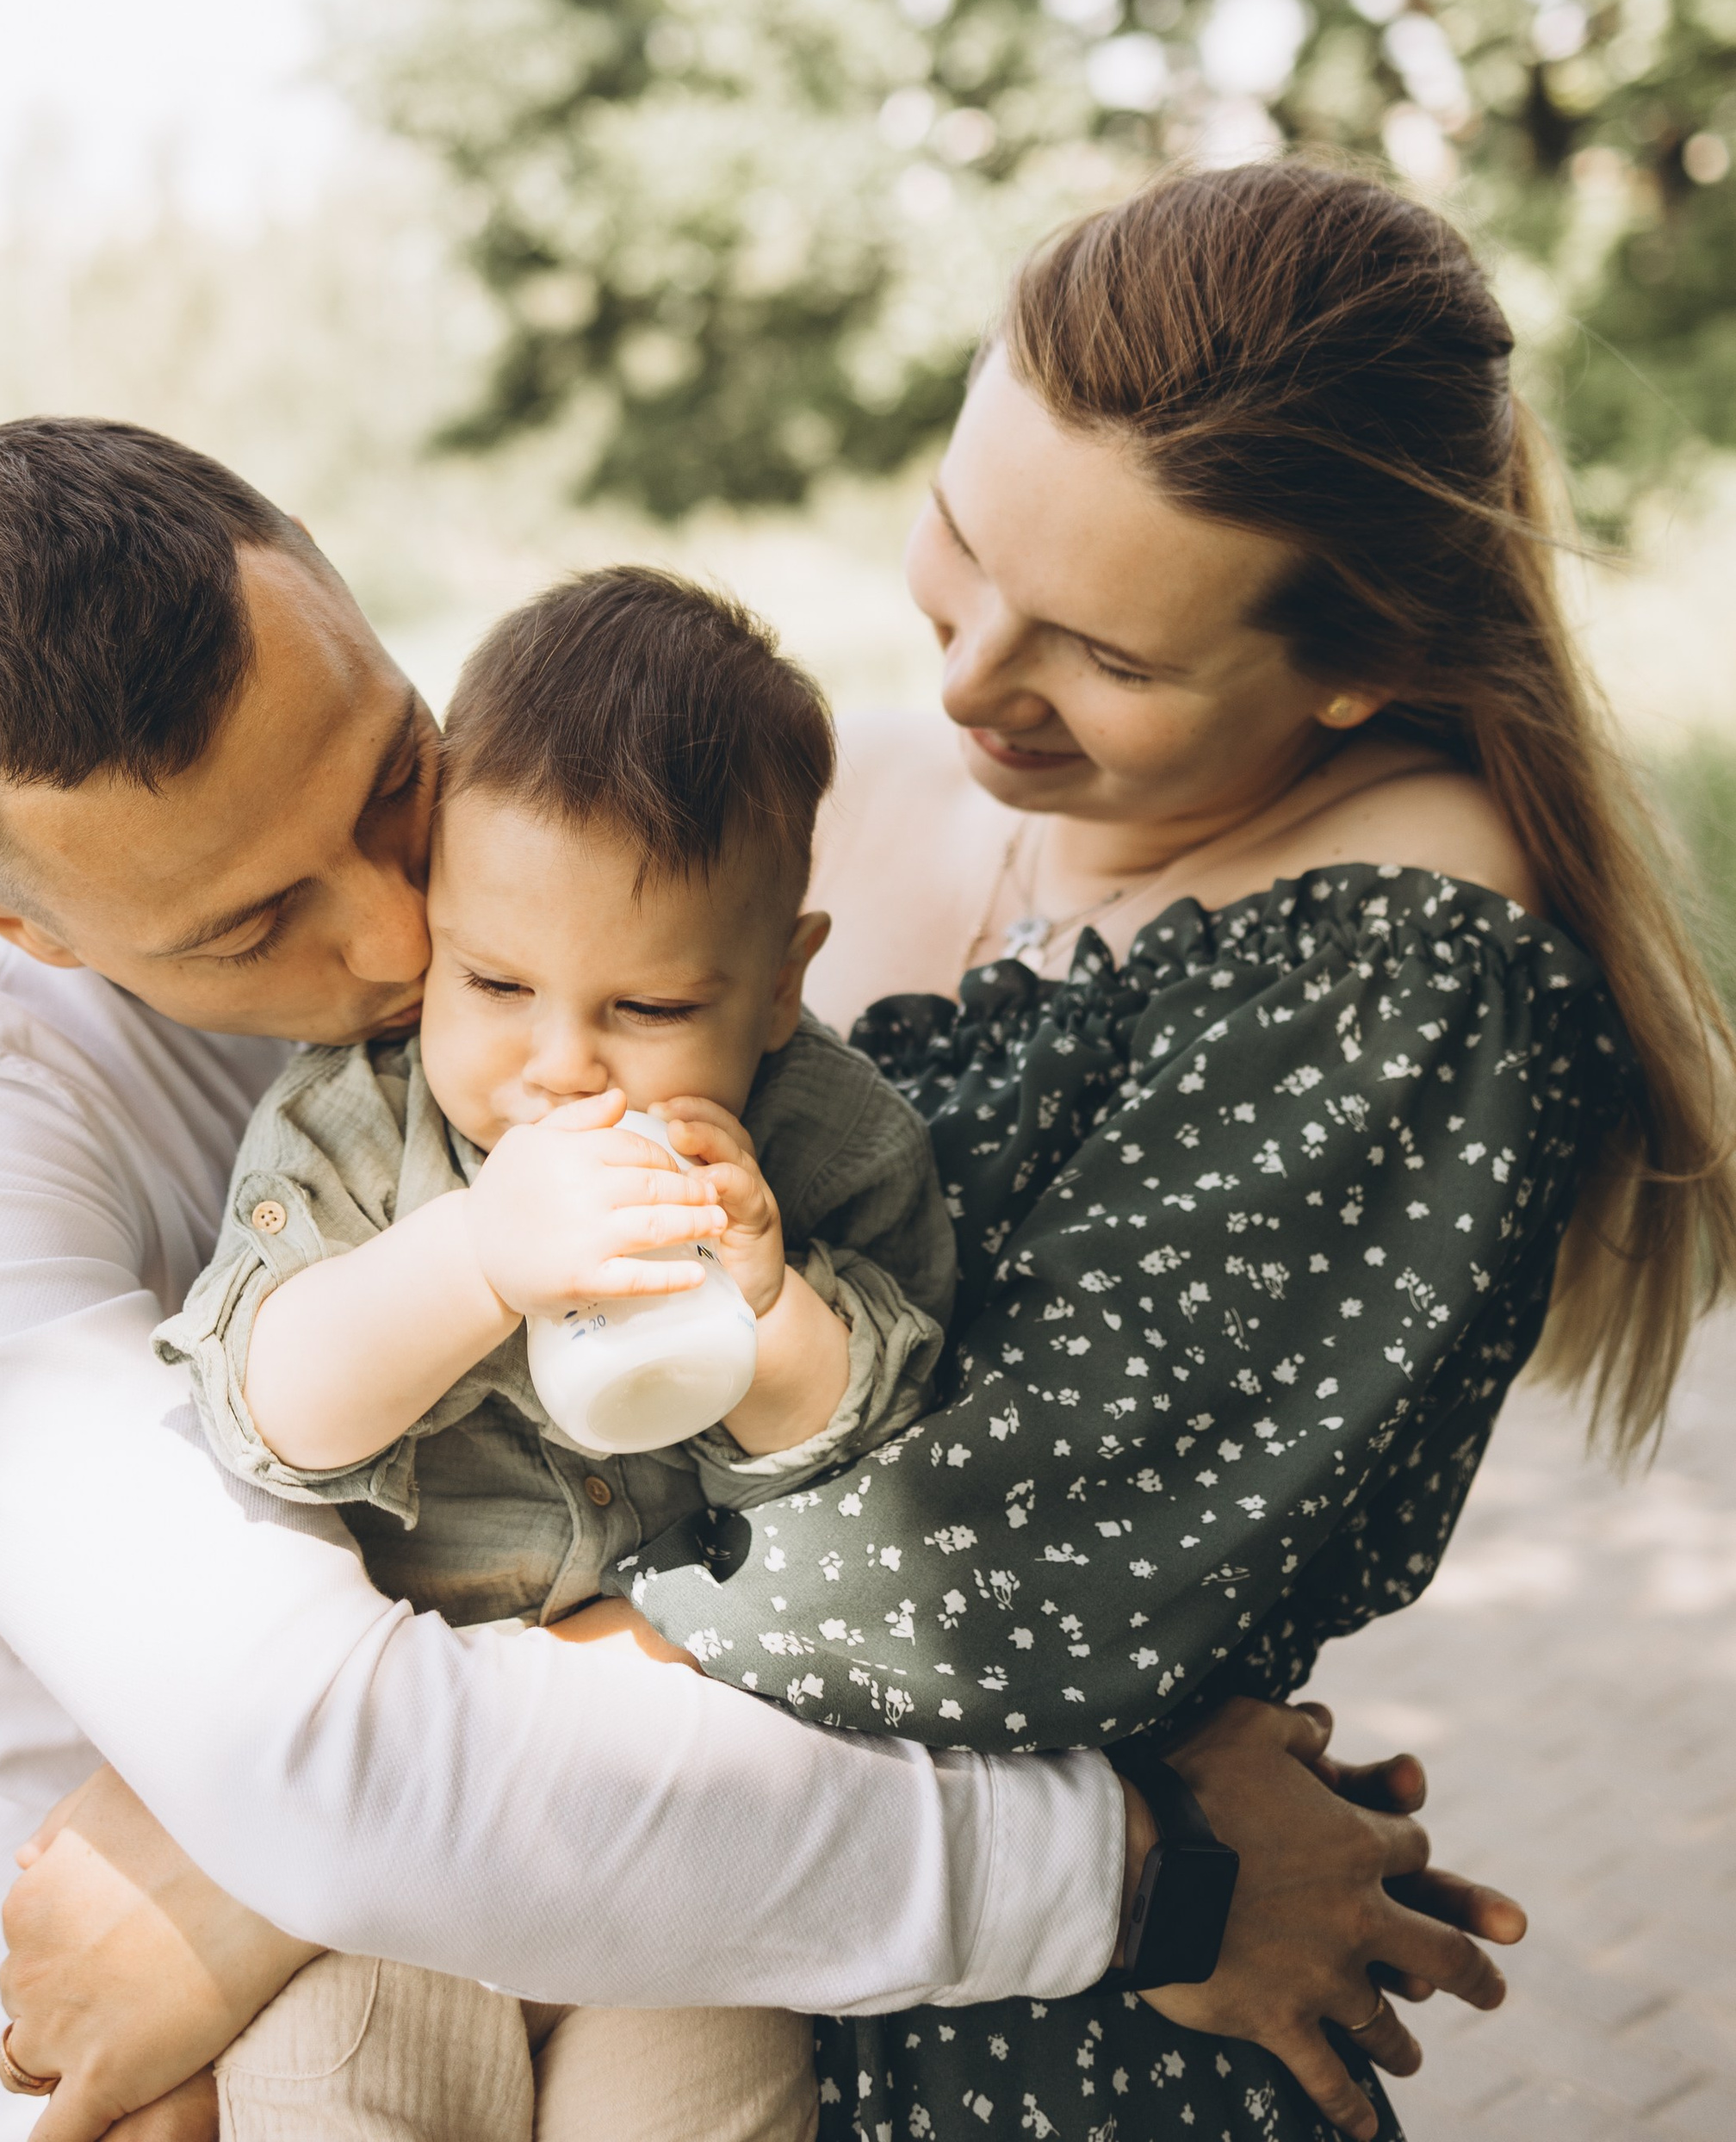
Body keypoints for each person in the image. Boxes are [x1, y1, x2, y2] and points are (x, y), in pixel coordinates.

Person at [0, 416, 1516, 2142]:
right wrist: (1135, 1875)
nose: (392, 932)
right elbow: (336, 1772)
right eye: (247, 925)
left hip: (670, 1934)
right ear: (18, 925)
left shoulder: (553, 923)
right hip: (131, 2064)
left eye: (391, 783)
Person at [616, 158, 1736, 2141]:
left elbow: (961, 1598)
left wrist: (320, 1762)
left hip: (1028, 2059)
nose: (970, 681)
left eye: (1107, 662)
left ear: (1357, 664)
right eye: (957, 543)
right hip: (659, 1937)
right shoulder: (838, 790)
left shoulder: (1409, 967)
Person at [158, 565, 957, 2141]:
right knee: (327, 2103)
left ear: (782, 981)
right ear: (438, 929)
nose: (557, 1067)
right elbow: (269, 1408)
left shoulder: (826, 1144)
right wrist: (471, 1257)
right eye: (497, 984)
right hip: (402, 1862)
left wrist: (772, 1307)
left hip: (684, 1823)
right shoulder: (359, 1126)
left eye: (650, 1004)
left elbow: (884, 1440)